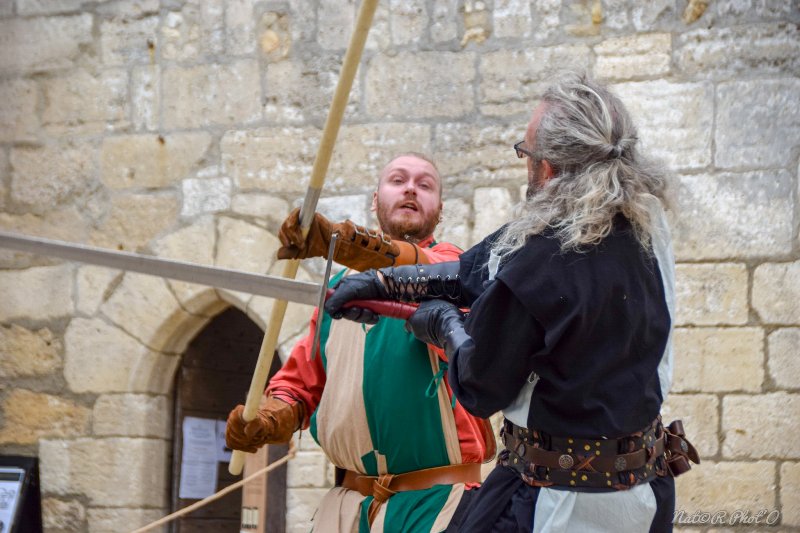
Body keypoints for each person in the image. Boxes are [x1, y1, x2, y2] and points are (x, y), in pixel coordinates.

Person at [325, 73, 699, 532]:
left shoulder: (544, 253)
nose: (526, 165)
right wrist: (385, 284)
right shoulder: (645, 222)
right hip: (645, 492)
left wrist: (444, 324)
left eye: (525, 153)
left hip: (556, 505)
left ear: (549, 167)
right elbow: (473, 271)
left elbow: (483, 386)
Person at [225, 154, 495, 532]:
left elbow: (428, 269)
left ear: (439, 209)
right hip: (349, 510)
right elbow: (301, 383)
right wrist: (270, 418)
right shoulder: (339, 293)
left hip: (439, 504)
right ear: (375, 199)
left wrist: (340, 242)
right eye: (398, 180)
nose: (411, 189)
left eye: (425, 184)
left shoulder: (454, 270)